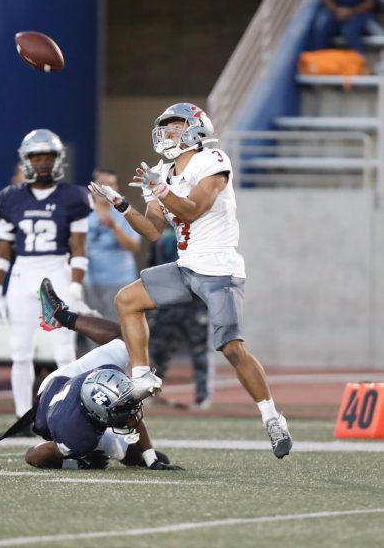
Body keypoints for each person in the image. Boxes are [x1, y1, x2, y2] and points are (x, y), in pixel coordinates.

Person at [89, 102, 293, 459]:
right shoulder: (161, 171)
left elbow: (194, 208)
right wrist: (122, 205)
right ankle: (141, 376)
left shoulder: (212, 160)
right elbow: (153, 230)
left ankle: (272, 416)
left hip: (219, 269)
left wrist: (162, 190)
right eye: (165, 127)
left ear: (196, 128)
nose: (168, 133)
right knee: (127, 300)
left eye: (175, 126)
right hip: (186, 267)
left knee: (231, 347)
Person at [19, 277, 181, 471]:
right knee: (131, 457)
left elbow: (131, 408)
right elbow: (33, 456)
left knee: (127, 340)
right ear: (99, 417)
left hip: (69, 381)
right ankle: (99, 454)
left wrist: (152, 459)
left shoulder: (109, 375)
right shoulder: (77, 436)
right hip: (54, 407)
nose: (130, 415)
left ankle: (60, 316)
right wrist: (74, 461)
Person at [0, 129, 93, 429]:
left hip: (57, 271)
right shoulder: (10, 197)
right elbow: (3, 246)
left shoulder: (74, 196)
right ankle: (23, 415)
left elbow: (79, 247)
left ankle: (71, 415)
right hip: (22, 273)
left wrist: (74, 287)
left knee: (64, 351)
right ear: (26, 160)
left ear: (58, 159)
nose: (44, 162)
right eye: (37, 156)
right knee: (19, 350)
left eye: (49, 156)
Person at [148, 226, 213, 409]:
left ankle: (203, 397)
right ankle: (149, 392)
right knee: (159, 349)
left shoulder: (202, 233)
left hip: (194, 301)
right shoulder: (165, 235)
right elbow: (154, 264)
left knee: (199, 350)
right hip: (169, 300)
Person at [78, 168, 140, 355]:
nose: (107, 189)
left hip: (119, 281)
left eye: (111, 184)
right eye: (102, 185)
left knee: (120, 331)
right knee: (93, 329)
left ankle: (121, 372)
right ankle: (96, 372)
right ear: (93, 187)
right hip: (91, 282)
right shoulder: (82, 212)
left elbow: (134, 246)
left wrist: (114, 227)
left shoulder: (124, 212)